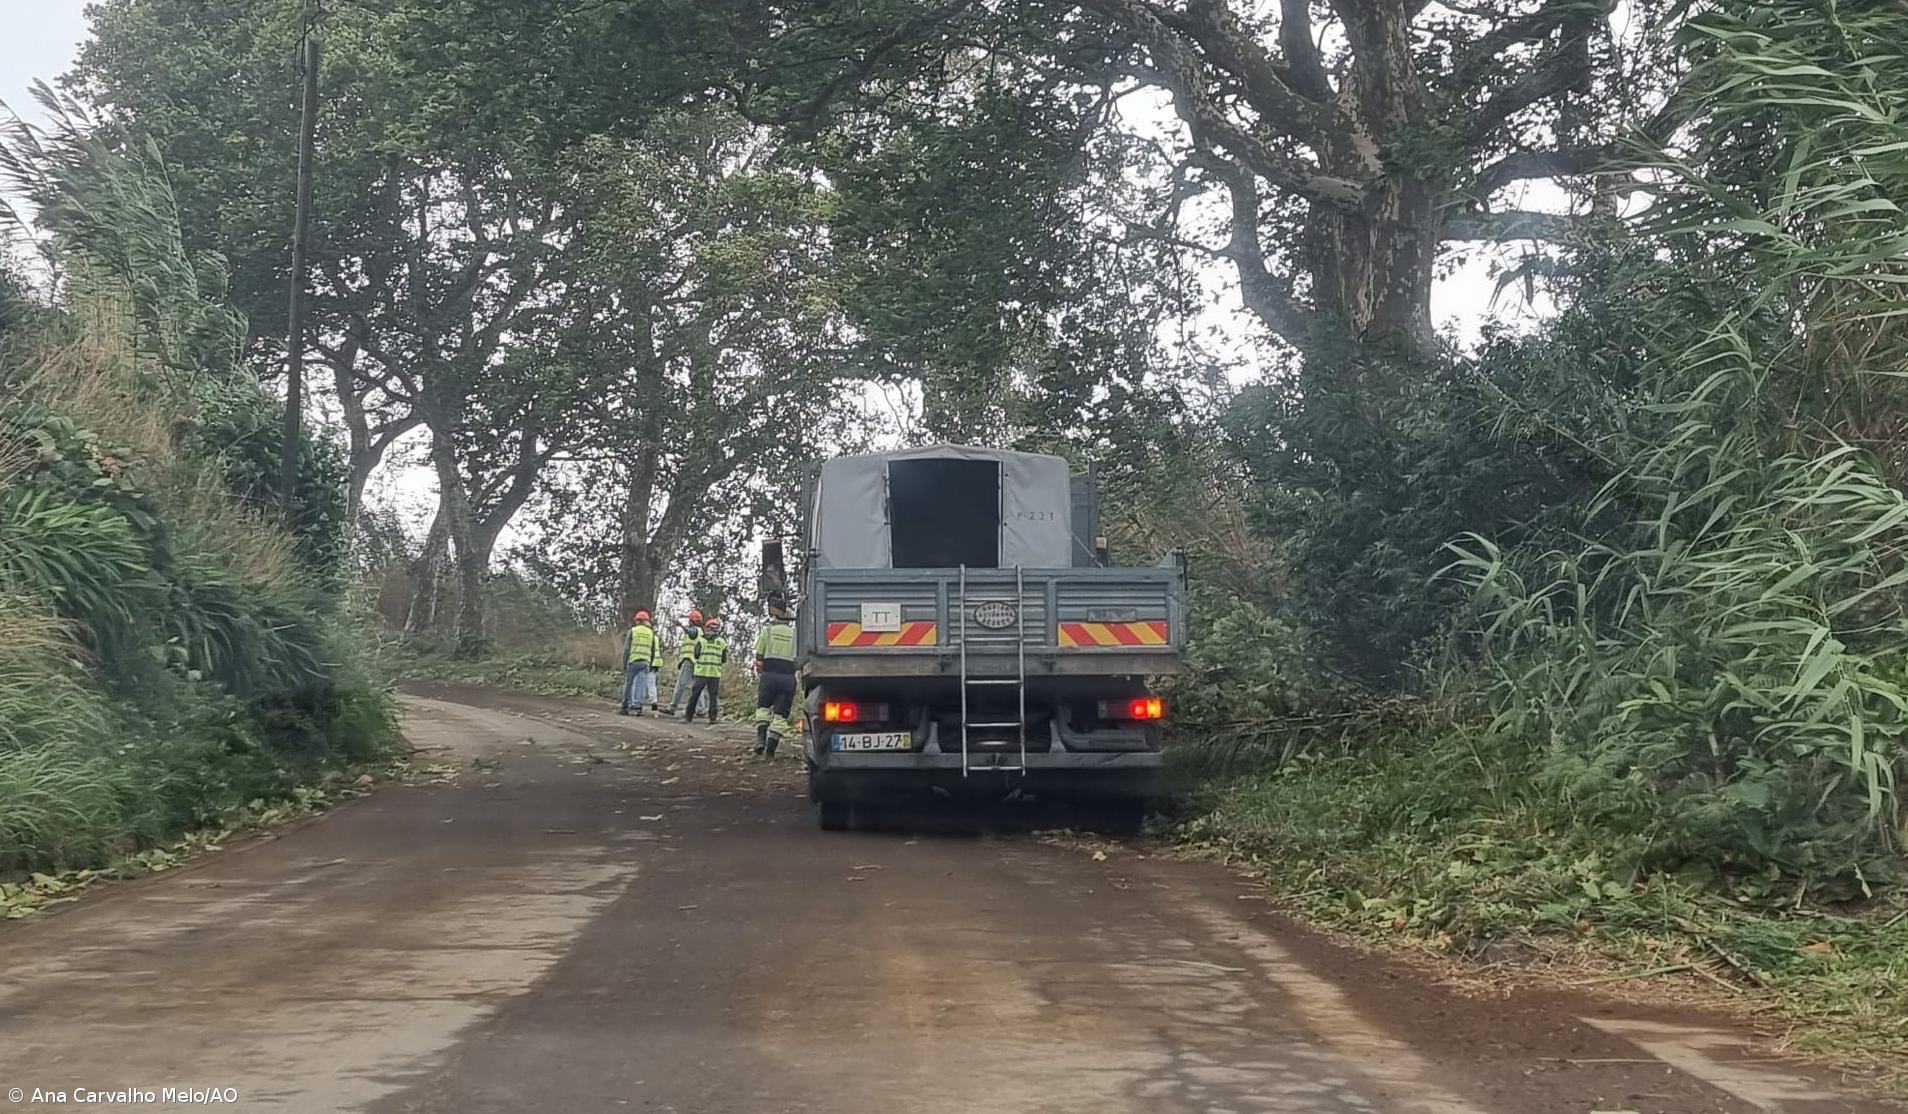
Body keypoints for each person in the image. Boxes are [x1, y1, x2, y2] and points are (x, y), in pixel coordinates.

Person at [752, 595, 798, 757]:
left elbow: (759, 655)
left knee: (763, 708)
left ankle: (760, 740)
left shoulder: (768, 631)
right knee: (781, 714)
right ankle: (771, 749)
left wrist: (761, 669)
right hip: (788, 678)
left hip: (769, 675)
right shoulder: (796, 635)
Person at [683, 617, 727, 725]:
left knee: (695, 695)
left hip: (701, 672)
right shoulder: (722, 642)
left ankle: (688, 717)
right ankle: (712, 718)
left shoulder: (701, 640)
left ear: (707, 628)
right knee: (713, 697)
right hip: (714, 674)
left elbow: (696, 654)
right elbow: (723, 659)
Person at [617, 610, 661, 716]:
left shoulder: (633, 631)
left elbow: (627, 649)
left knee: (628, 684)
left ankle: (625, 707)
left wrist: (624, 663)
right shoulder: (651, 633)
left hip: (633, 661)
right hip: (645, 663)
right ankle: (638, 707)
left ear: (637, 620)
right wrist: (650, 664)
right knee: (641, 685)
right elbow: (652, 651)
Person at [662, 609, 704, 717]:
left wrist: (681, 626)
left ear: (692, 621)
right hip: (696, 662)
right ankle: (700, 709)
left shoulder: (694, 631)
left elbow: (691, 633)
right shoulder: (701, 632)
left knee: (681, 684)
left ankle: (673, 706)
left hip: (689, 661)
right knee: (697, 686)